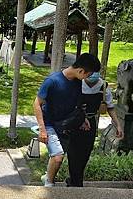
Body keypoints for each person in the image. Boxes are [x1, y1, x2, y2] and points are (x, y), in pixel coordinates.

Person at [34, 53, 101, 187]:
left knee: (57, 155)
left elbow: (77, 103)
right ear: (81, 70)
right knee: (58, 157)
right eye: (88, 75)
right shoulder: (52, 81)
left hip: (65, 125)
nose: (88, 78)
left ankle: (47, 176)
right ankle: (49, 185)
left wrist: (83, 119)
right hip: (49, 124)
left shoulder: (77, 82)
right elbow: (37, 103)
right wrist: (42, 129)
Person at [67, 72, 124, 187]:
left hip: (91, 123)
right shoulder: (77, 84)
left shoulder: (103, 86)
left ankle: (75, 180)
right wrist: (80, 119)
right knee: (73, 153)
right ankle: (76, 183)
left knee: (85, 153)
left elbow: (110, 108)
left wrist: (118, 125)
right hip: (76, 122)